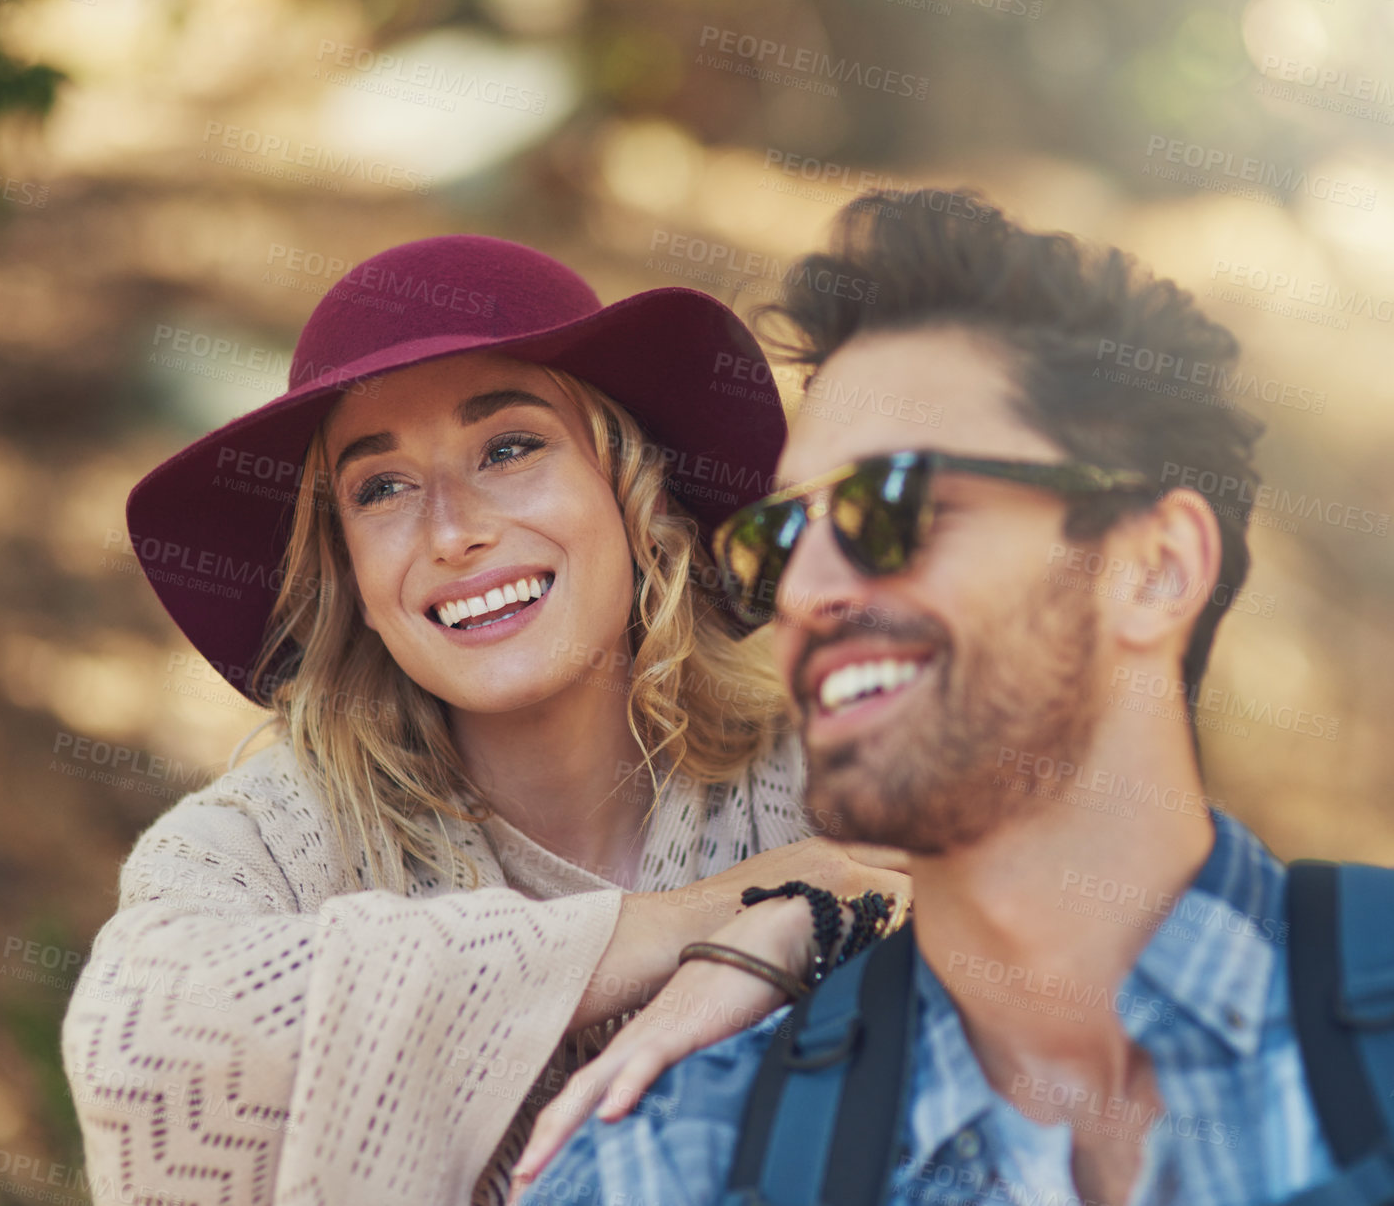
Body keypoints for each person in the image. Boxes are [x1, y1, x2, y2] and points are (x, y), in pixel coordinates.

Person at [517, 189, 1344, 1206]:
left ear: (1154, 567)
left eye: (889, 505)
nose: (810, 591)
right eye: (781, 538)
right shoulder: (668, 1166)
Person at [60, 234, 910, 1206]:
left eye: (509, 447)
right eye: (381, 487)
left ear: (628, 487)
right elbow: (137, 1046)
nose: (454, 529)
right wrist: (691, 921)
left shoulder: (829, 761)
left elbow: (1059, 946)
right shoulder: (263, 841)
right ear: (348, 572)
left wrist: (813, 920)